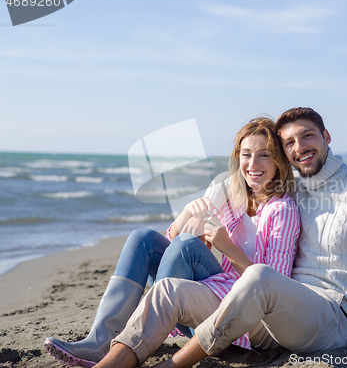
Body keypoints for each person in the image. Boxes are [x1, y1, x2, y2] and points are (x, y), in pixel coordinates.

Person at [93, 107, 347, 368]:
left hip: (331, 319)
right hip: (270, 314)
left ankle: (177, 363)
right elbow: (231, 183)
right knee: (166, 290)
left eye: (308, 136)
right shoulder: (294, 189)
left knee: (258, 276)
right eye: (289, 142)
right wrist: (195, 207)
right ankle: (111, 361)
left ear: (327, 137)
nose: (299, 146)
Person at [44, 116, 300, 367]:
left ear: (278, 160)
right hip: (213, 293)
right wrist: (187, 213)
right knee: (143, 239)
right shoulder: (234, 198)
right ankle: (101, 339)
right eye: (246, 154)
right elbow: (169, 248)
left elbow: (273, 287)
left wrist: (227, 247)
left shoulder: (282, 210)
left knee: (187, 245)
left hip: (241, 316)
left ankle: (142, 332)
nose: (253, 163)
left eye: (264, 154)